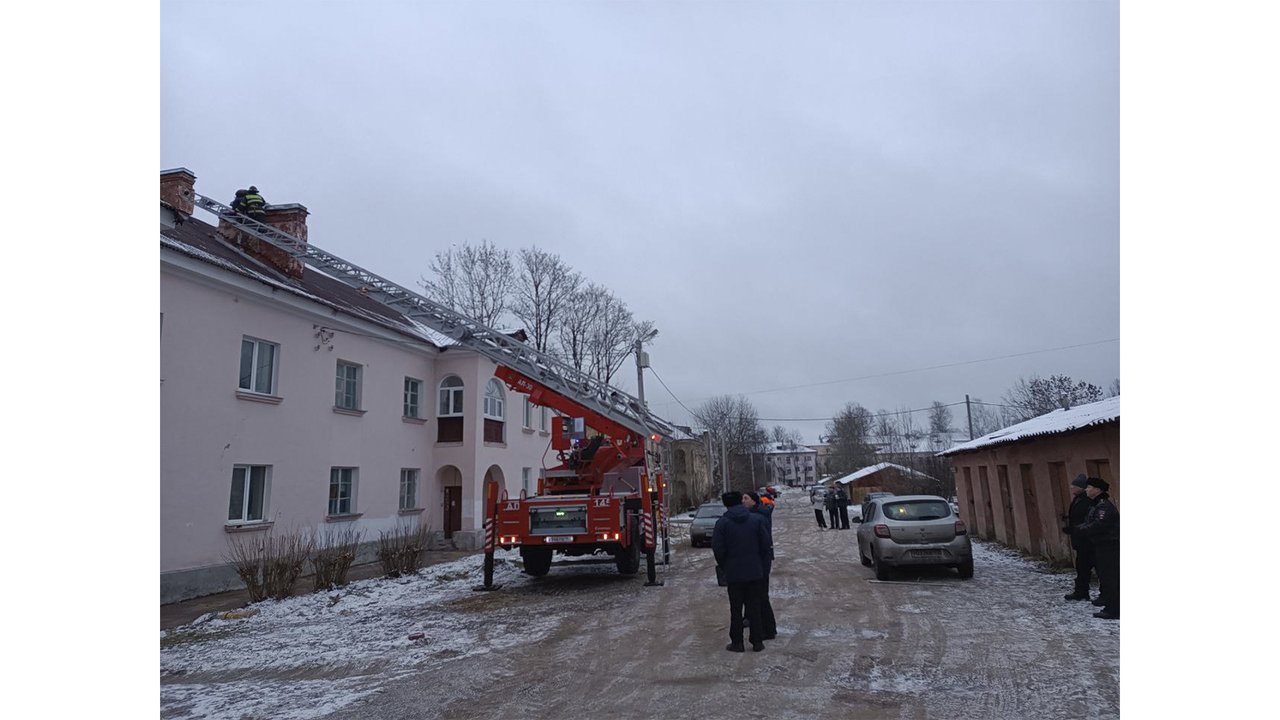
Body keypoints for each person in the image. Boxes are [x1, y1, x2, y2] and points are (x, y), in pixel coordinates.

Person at [711, 491, 771, 652]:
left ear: (726, 504)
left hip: (734, 573)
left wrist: (725, 565)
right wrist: (758, 563)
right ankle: (757, 641)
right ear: (740, 501)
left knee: (736, 609)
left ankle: (737, 642)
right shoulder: (756, 520)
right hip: (754, 571)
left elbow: (718, 548)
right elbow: (766, 545)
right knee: (755, 607)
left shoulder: (722, 523)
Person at [1075, 477, 1119, 619]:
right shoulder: (1096, 504)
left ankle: (1114, 609)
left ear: (1097, 490)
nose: (1086, 489)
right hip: (1101, 545)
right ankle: (1110, 604)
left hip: (1108, 546)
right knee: (1105, 577)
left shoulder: (1104, 506)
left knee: (1110, 577)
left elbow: (1099, 525)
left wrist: (1080, 530)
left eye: (1089, 487)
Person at [744, 492, 777, 641]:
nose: (743, 501)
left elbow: (764, 540)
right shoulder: (753, 514)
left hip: (761, 559)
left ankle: (768, 629)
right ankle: (755, 621)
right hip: (757, 559)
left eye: (746, 498)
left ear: (754, 501)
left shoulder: (760, 516)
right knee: (755, 594)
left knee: (761, 594)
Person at [1061, 474, 1097, 601]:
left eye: (1075, 485)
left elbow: (1087, 520)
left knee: (1087, 566)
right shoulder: (1078, 499)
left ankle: (1086, 592)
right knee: (1081, 567)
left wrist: (1075, 529)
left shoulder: (1087, 501)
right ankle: (1081, 591)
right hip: (1080, 539)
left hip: (1087, 540)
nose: (1071, 487)